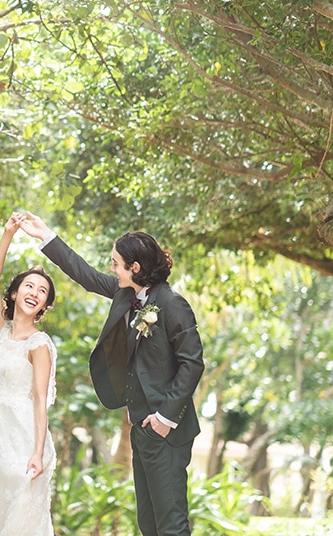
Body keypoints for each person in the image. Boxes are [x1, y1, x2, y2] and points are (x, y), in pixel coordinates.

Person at [19, 212, 204, 536]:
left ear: (136, 268)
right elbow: (85, 274)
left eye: (117, 263)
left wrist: (164, 417)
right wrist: (45, 235)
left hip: (166, 430)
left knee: (172, 526)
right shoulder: (125, 294)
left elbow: (193, 363)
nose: (112, 268)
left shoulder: (173, 304)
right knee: (149, 525)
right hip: (142, 428)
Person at [0, 212, 58, 536]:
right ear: (14, 293)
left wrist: (38, 453)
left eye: (42, 291)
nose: (35, 292)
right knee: (1, 522)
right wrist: (8, 233)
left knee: (24, 524)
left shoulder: (39, 345)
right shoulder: (2, 331)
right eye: (29, 285)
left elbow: (40, 400)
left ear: (43, 306)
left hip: (26, 443)